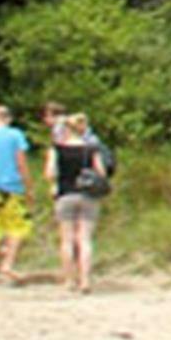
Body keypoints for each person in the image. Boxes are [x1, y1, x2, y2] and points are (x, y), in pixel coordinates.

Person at [47, 113, 106, 294]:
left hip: (65, 195)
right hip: (88, 196)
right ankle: (85, 280)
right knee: (85, 239)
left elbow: (50, 173)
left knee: (67, 239)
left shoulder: (56, 149)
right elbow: (101, 173)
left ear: (66, 129)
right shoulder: (91, 149)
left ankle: (69, 280)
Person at [0, 106, 31, 284]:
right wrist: (28, 186)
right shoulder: (15, 135)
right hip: (10, 186)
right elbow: (21, 163)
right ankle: (8, 264)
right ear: (8, 118)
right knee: (17, 227)